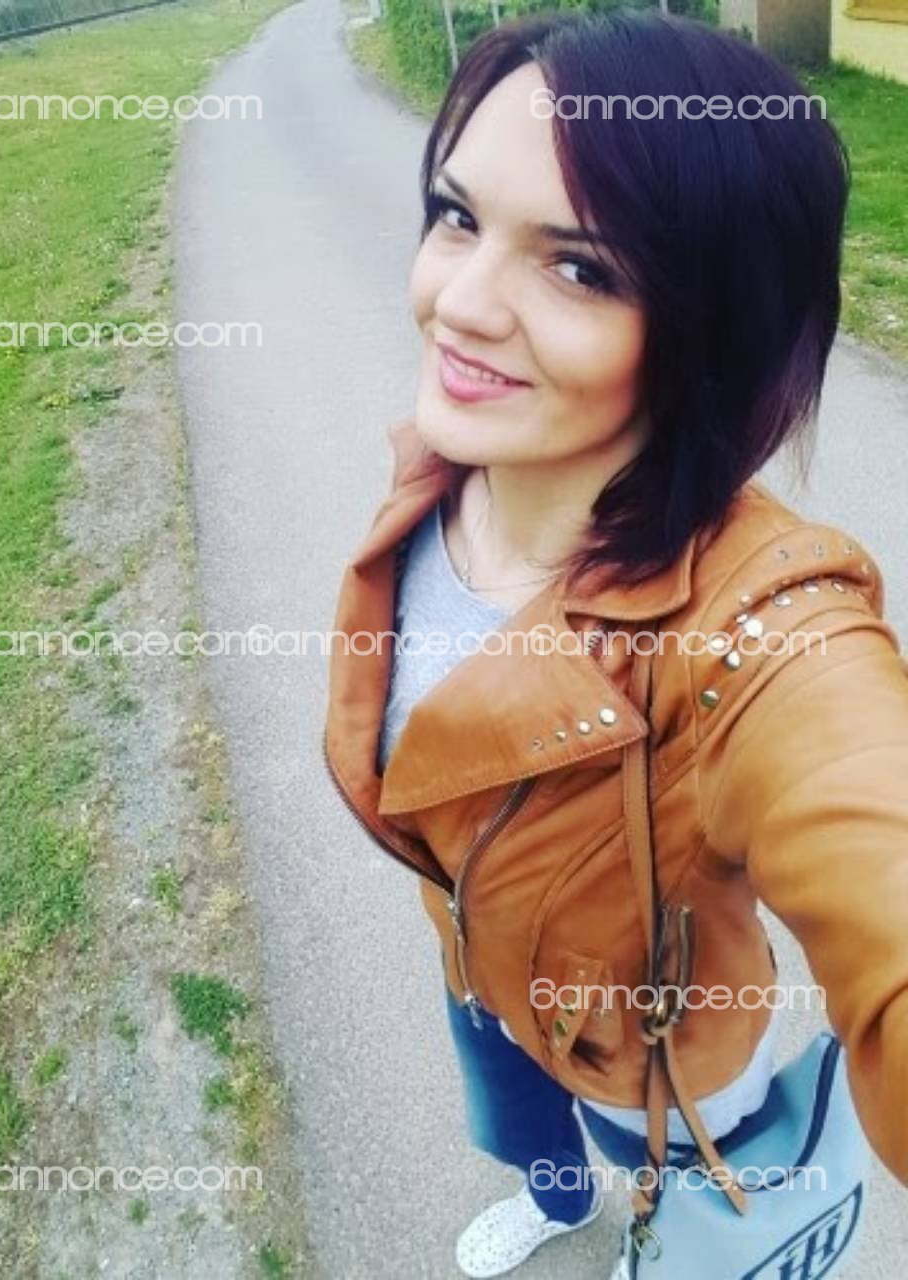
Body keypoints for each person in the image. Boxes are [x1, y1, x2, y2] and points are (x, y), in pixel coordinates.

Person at [324, 9, 908, 1277]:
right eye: (456, 215)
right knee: (517, 1117)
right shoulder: (442, 468)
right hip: (476, 956)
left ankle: (668, 1224)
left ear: (711, 326)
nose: (457, 303)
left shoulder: (763, 627)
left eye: (579, 268)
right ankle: (554, 1203)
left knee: (668, 1177)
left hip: (651, 1058)